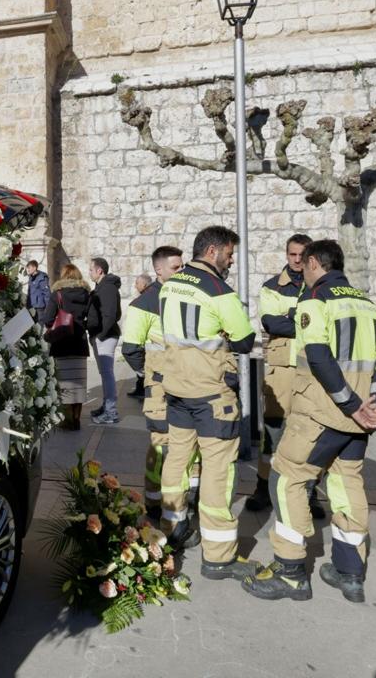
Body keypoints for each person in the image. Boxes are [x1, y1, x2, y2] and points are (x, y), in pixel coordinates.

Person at [242, 240, 376, 603]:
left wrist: (352, 404)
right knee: (346, 484)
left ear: (313, 263)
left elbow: (319, 357)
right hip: (359, 421)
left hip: (323, 413)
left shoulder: (315, 300)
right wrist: (375, 404)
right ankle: (350, 572)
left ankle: (291, 571)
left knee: (286, 478)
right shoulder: (367, 305)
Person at [155, 226, 260, 581]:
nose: (231, 262)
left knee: (177, 459)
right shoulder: (219, 291)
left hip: (177, 390)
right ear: (213, 251)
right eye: (230, 255)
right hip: (212, 395)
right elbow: (245, 341)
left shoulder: (170, 284)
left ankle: (173, 528)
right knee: (218, 471)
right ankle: (218, 556)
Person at [245, 234, 327, 520]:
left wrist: (290, 316)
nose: (295, 260)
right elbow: (271, 322)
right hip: (281, 372)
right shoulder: (272, 287)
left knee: (310, 432)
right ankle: (263, 486)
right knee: (273, 432)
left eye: (301, 255)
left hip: (312, 370)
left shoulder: (320, 285)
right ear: (287, 254)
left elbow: (322, 323)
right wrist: (303, 318)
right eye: (291, 254)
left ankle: (309, 490)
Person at [121, 246, 185, 515]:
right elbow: (131, 349)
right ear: (159, 270)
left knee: (185, 442)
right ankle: (154, 499)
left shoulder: (185, 293)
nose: (182, 271)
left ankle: (184, 495)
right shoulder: (144, 304)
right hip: (159, 386)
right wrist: (147, 374)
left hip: (187, 383)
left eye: (183, 266)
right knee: (160, 442)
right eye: (176, 268)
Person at [43, 264, 92, 431]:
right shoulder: (86, 294)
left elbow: (48, 319)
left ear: (63, 276)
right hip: (79, 343)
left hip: (62, 343)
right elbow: (92, 319)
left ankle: (68, 419)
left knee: (64, 383)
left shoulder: (57, 294)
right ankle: (77, 419)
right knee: (78, 384)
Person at [88, 257, 123, 425]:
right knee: (104, 373)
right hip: (101, 336)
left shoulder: (107, 288)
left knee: (107, 374)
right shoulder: (101, 287)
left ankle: (111, 412)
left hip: (106, 337)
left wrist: (100, 336)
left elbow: (111, 315)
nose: (89, 272)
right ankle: (106, 406)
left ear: (99, 270)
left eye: (91, 269)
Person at [126, 273, 154, 400]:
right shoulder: (147, 297)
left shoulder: (143, 302)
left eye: (137, 283)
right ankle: (139, 389)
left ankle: (143, 390)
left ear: (143, 284)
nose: (135, 285)